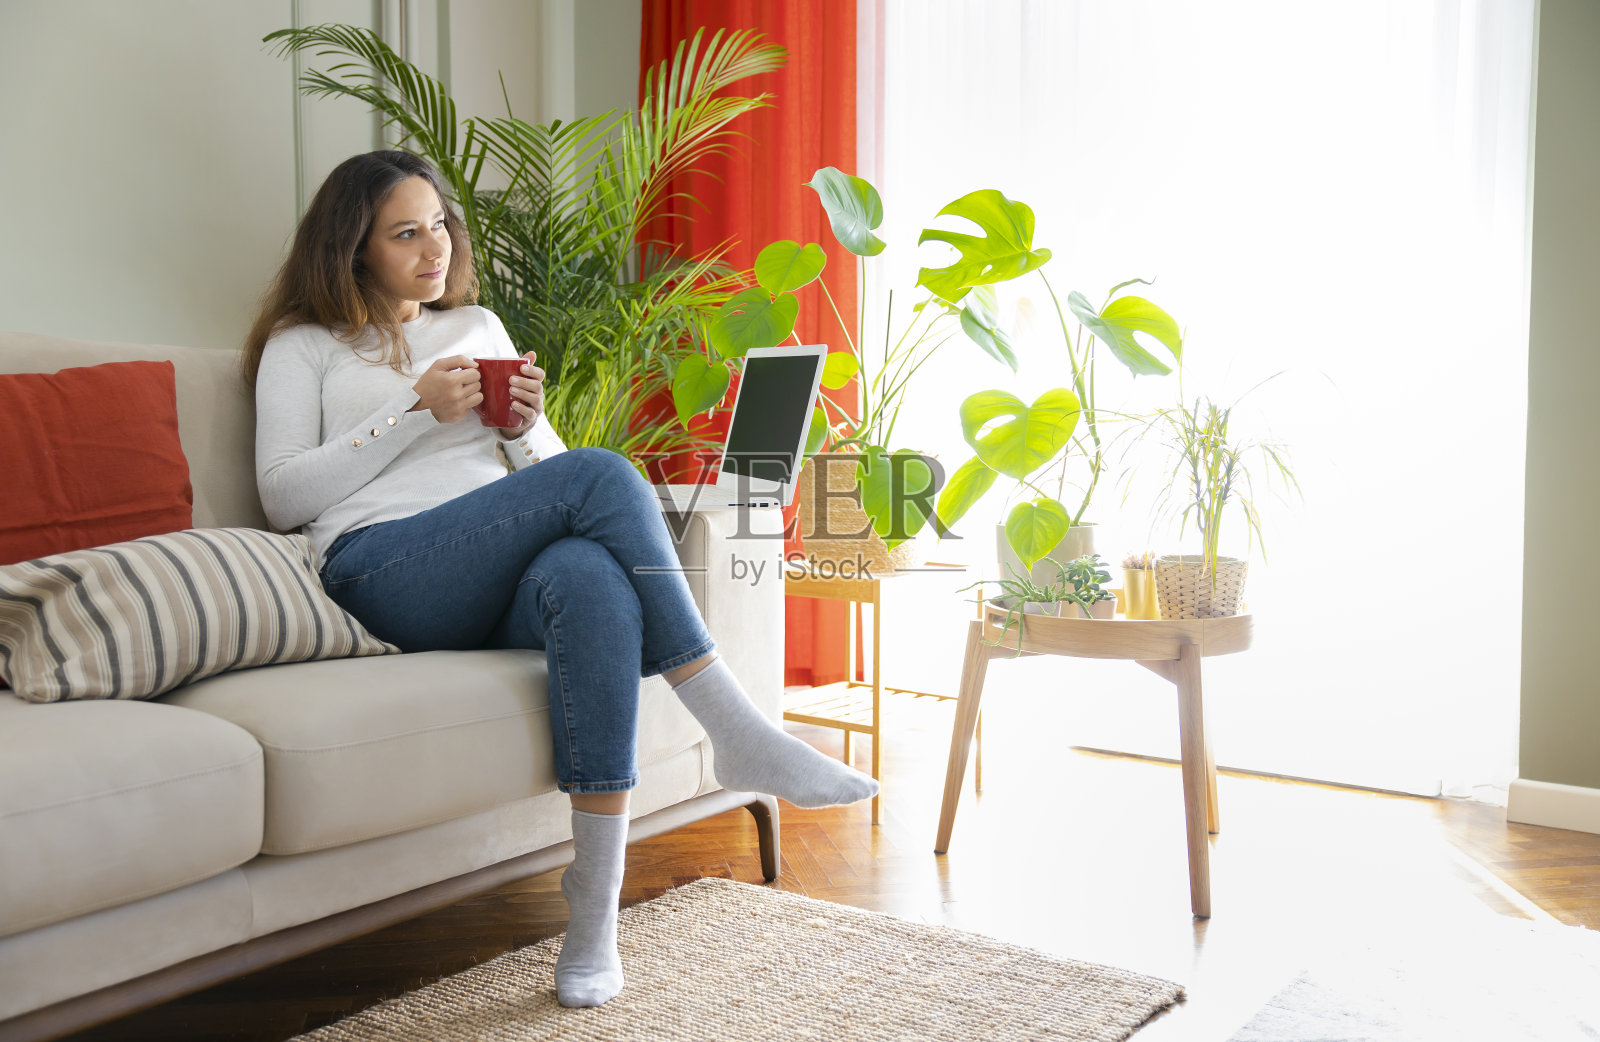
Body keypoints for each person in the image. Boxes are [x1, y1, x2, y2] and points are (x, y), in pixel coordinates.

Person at [243, 151, 877, 1009]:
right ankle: (736, 727)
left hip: (493, 567)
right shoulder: (305, 344)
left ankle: (594, 913)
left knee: (590, 580)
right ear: (354, 248)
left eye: (439, 224)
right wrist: (410, 411)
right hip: (384, 568)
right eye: (405, 233)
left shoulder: (477, 325)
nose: (434, 247)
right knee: (602, 473)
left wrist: (524, 431)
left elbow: (549, 478)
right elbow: (283, 497)